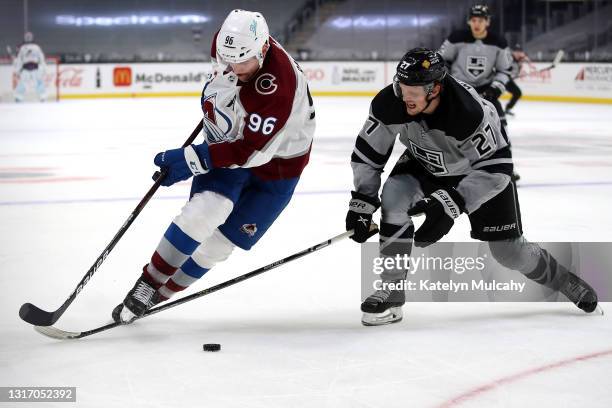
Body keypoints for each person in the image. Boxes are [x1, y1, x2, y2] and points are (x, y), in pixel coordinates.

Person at [345, 48, 599, 326]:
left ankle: (563, 278)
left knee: (509, 253)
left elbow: (497, 169)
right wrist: (362, 204)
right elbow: (368, 155)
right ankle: (391, 291)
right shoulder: (389, 102)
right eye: (401, 85)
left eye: (414, 90)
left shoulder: (467, 111)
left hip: (479, 173)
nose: (405, 96)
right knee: (393, 198)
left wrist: (450, 204)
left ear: (435, 88)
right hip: (425, 162)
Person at [112, 9, 316, 323]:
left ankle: (162, 296)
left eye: (243, 62)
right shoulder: (227, 45)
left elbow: (250, 152)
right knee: (204, 213)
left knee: (218, 247)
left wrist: (192, 159)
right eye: (228, 59)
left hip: (280, 163)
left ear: (262, 50)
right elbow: (222, 92)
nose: (235, 67)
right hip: (237, 142)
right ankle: (148, 285)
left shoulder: (278, 86)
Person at [438, 4, 519, 181]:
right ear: (469, 21)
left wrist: (495, 89)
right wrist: (448, 86)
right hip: (459, 91)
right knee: (447, 129)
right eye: (474, 20)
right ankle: (449, 168)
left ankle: (505, 169)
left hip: (486, 92)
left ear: (487, 22)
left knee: (499, 130)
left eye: (481, 20)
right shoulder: (456, 38)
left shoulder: (499, 42)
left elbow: (505, 70)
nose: (477, 24)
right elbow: (441, 61)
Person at [13, 32, 47, 102]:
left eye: (29, 37)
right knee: (22, 82)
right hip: (26, 68)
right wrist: (17, 70)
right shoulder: (22, 48)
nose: (28, 38)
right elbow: (20, 60)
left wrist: (44, 68)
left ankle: (42, 97)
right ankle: (18, 97)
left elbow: (41, 58)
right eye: (27, 37)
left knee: (39, 82)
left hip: (35, 68)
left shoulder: (36, 47)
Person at [505, 46, 529, 116]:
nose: (519, 53)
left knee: (517, 93)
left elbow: (515, 73)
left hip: (508, 81)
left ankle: (508, 109)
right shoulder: (508, 59)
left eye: (520, 52)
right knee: (494, 94)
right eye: (517, 52)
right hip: (502, 79)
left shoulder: (519, 61)